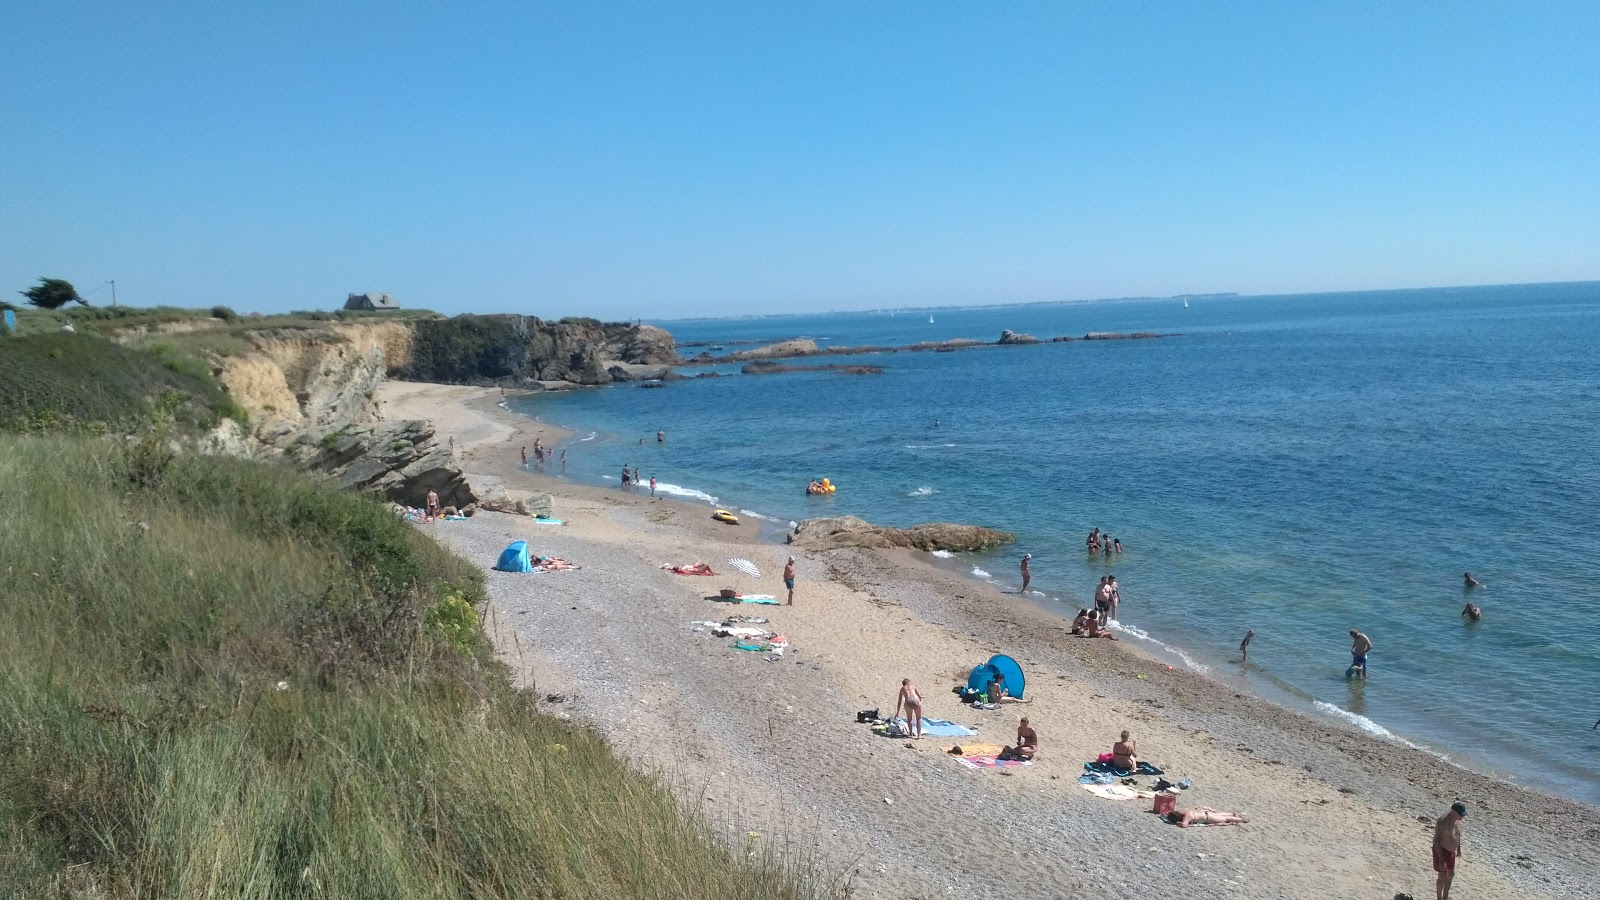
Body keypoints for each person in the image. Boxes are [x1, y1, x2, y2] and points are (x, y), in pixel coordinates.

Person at [1433, 802, 1466, 900]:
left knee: (1451, 874)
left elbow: (1458, 835)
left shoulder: (1458, 821)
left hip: (1451, 851)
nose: (1462, 817)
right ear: (1454, 812)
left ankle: (1445, 897)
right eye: (1461, 814)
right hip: (1442, 850)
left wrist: (1458, 848)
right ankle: (1439, 898)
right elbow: (1436, 841)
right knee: (1442, 876)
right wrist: (1441, 859)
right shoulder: (1442, 821)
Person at [1168, 808, 1248, 828]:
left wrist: (1178, 823)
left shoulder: (1187, 817)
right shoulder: (1185, 811)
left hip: (1207, 818)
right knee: (1219, 815)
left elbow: (1184, 825)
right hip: (1205, 813)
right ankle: (1231, 814)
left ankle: (1241, 820)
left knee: (1226, 819)